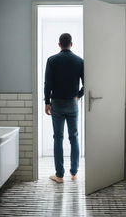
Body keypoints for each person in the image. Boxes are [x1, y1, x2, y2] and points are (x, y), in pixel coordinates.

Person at [44, 33, 84, 183]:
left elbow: (47, 84)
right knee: (74, 137)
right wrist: (79, 95)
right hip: (73, 103)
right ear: (71, 44)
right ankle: (74, 172)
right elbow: (88, 83)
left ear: (59, 44)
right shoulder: (80, 61)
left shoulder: (52, 60)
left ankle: (59, 175)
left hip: (57, 104)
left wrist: (47, 102)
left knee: (58, 138)